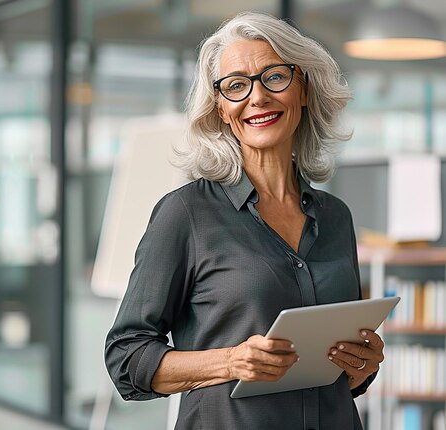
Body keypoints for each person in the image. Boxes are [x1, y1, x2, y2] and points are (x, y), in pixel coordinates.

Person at [104, 11, 384, 430]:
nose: (257, 97)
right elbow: (126, 359)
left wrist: (362, 366)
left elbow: (340, 370)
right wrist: (231, 360)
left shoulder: (336, 217)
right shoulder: (186, 214)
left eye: (274, 76)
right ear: (220, 109)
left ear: (303, 89)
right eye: (236, 86)